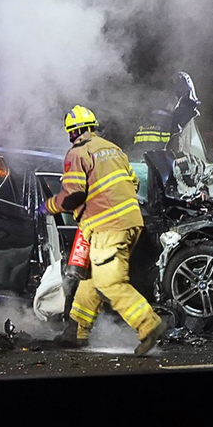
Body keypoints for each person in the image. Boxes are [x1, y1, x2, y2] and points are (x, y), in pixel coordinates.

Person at [39, 105, 165, 356]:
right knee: (92, 280)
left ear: (73, 133)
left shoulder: (78, 153)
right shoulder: (113, 149)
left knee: (109, 281)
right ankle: (76, 331)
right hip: (131, 223)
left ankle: (147, 324)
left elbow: (73, 194)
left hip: (108, 226)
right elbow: (134, 181)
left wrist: (49, 206)